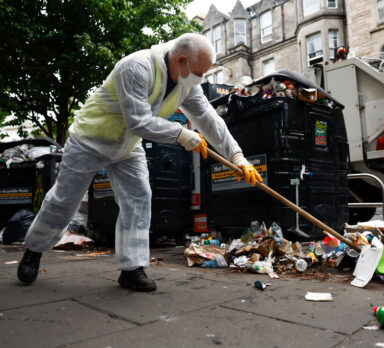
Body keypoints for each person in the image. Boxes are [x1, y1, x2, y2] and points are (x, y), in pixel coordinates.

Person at [17, 33, 262, 291]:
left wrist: (237, 156)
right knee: (66, 199)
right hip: (90, 139)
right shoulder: (136, 68)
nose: (200, 79)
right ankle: (34, 249)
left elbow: (209, 118)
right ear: (181, 61)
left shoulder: (185, 83)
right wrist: (181, 134)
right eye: (199, 72)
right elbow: (138, 120)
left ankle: (132, 268)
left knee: (139, 198)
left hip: (126, 146)